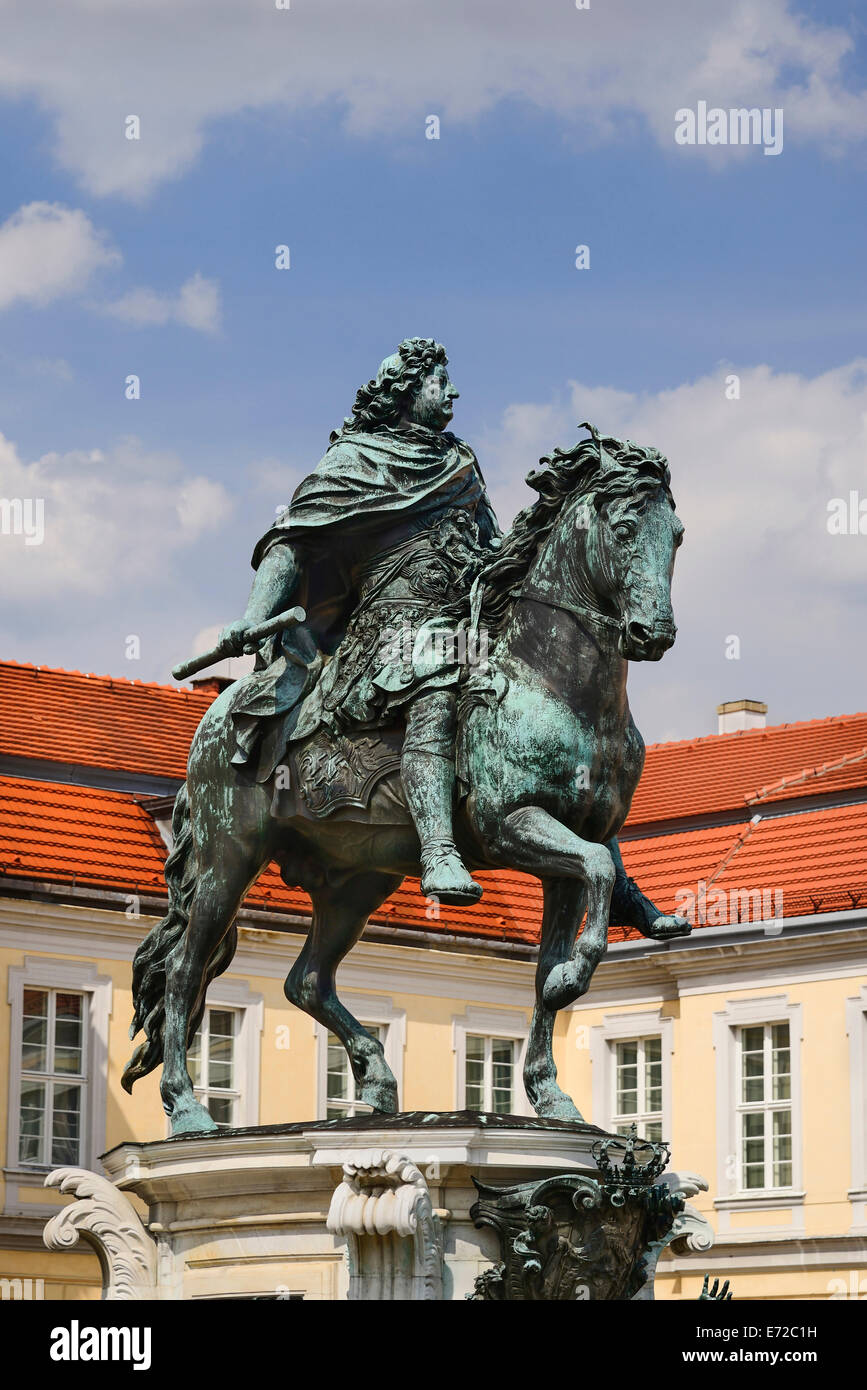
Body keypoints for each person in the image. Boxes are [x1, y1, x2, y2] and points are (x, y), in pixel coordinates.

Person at [219, 337, 501, 904]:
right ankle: (439, 850)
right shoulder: (356, 459)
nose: (452, 392)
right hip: (386, 634)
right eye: (439, 382)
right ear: (406, 388)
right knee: (438, 674)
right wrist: (253, 614)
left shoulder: (460, 464)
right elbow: (291, 543)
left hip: (461, 624)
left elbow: (493, 547)